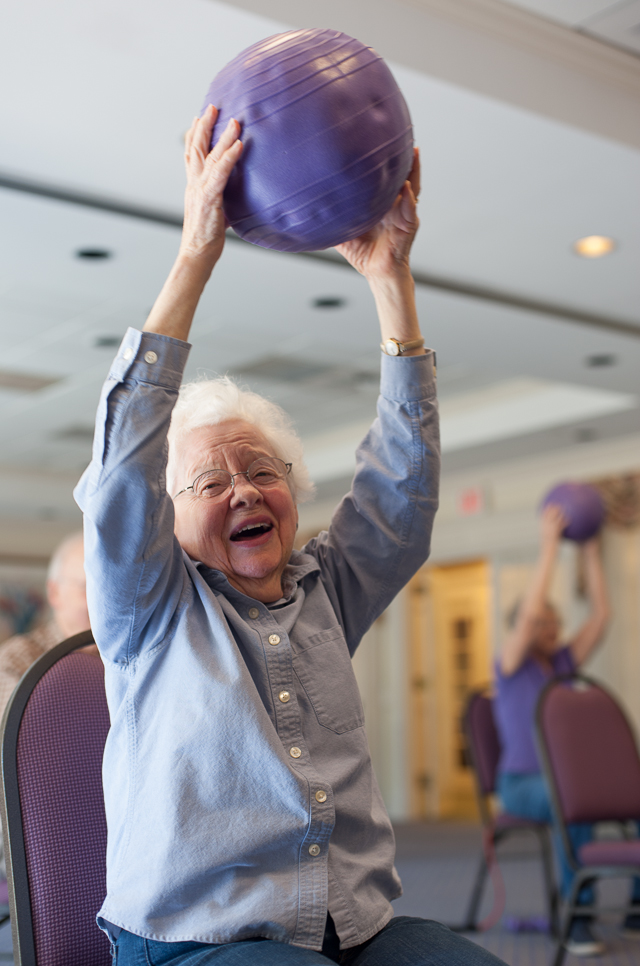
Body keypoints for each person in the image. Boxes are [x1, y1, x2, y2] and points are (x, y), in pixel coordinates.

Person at [74, 106, 506, 966]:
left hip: (353, 928)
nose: (243, 489)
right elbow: (124, 467)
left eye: (262, 469)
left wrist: (391, 279)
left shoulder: (326, 591)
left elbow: (400, 487)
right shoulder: (148, 608)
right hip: (198, 940)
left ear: (293, 494)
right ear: (169, 521)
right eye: (208, 481)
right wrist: (197, 250)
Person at [494, 503, 640, 955]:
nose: (552, 625)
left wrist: (592, 551)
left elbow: (600, 618)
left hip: (564, 781)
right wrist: (549, 547)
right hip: (520, 785)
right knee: (573, 803)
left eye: (556, 619)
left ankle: (637, 905)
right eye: (542, 620)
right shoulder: (510, 664)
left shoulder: (561, 662)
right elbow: (528, 614)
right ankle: (578, 917)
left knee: (636, 800)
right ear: (523, 627)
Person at [0, 531, 92, 718]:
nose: (104, 600)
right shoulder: (19, 660)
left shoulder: (129, 659)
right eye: (87, 587)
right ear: (54, 592)